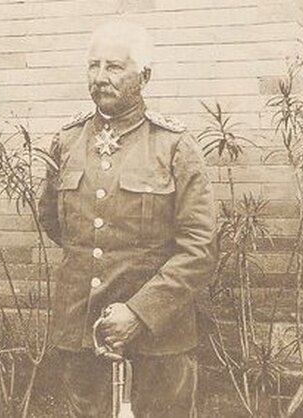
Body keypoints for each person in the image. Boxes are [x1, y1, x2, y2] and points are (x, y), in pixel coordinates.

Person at [38, 20, 218, 417]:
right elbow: (55, 223)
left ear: (145, 75)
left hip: (159, 341)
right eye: (93, 66)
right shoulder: (66, 141)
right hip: (82, 336)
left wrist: (139, 312)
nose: (100, 77)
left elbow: (200, 248)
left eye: (115, 67)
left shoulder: (174, 146)